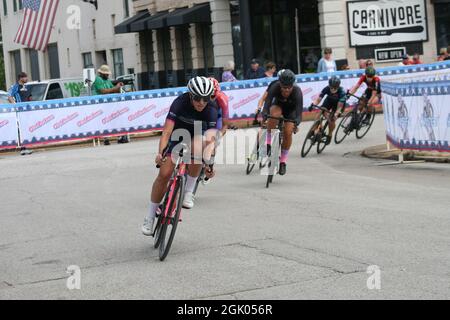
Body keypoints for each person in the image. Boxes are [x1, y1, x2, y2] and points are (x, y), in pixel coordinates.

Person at [141, 77, 218, 235]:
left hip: (198, 132)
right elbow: (167, 132)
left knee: (199, 149)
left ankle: (188, 191)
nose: (201, 102)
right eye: (197, 98)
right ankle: (149, 217)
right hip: (177, 133)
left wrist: (210, 165)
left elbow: (211, 141)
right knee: (164, 174)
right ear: (190, 95)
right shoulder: (180, 102)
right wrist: (160, 153)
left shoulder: (211, 109)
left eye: (205, 98)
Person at [262, 69, 303, 176]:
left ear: (293, 85)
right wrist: (265, 114)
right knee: (274, 114)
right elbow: (267, 103)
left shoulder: (297, 92)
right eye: (284, 87)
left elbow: (299, 112)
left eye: (289, 88)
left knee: (288, 132)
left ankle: (283, 161)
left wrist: (297, 122)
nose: (286, 90)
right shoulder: (275, 86)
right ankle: (268, 141)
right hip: (278, 105)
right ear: (280, 84)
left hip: (291, 110)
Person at [92, 65, 126, 145]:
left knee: (113, 120)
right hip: (101, 104)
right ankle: (106, 138)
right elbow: (103, 91)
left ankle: (118, 136)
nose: (108, 75)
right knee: (105, 121)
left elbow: (113, 90)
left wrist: (119, 87)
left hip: (108, 104)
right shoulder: (98, 79)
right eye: (106, 74)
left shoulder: (107, 80)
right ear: (102, 73)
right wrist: (115, 88)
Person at [308, 76, 346, 145]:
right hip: (329, 101)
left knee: (331, 120)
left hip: (338, 105)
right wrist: (313, 105)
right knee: (320, 111)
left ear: (338, 87)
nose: (333, 89)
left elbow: (339, 107)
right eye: (331, 87)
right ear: (329, 85)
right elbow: (318, 99)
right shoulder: (326, 88)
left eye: (335, 88)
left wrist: (336, 114)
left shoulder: (342, 92)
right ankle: (317, 128)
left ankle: (329, 134)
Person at [7, 72, 33, 155]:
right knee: (21, 129)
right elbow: (9, 96)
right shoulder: (15, 86)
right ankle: (22, 148)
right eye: (25, 77)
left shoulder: (26, 87)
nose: (27, 79)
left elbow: (29, 98)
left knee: (25, 129)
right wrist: (15, 105)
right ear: (20, 78)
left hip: (26, 111)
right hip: (20, 111)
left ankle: (25, 147)